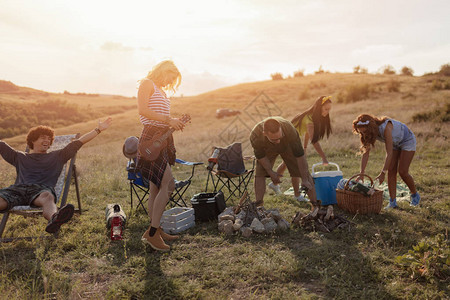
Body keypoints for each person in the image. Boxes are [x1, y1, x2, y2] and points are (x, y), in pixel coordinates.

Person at [0, 118, 112, 233]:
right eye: (43, 137)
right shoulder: (20, 157)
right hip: (17, 191)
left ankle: (55, 218)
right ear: (33, 140)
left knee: (48, 197)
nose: (47, 141)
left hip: (40, 192)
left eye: (49, 139)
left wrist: (98, 130)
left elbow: (79, 142)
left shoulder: (58, 156)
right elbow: (1, 145)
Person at [137, 60, 185, 251]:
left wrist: (174, 123)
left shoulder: (161, 90)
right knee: (169, 184)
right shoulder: (147, 83)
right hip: (150, 139)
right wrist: (168, 119)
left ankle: (155, 230)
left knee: (156, 187)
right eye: (170, 78)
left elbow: (162, 117)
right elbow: (143, 110)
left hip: (162, 139)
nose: (169, 83)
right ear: (164, 72)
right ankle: (152, 233)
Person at [269, 96, 333, 199]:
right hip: (286, 140)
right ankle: (297, 195)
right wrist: (323, 157)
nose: (327, 112)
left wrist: (305, 147)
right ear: (319, 107)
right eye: (326, 109)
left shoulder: (310, 117)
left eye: (329, 109)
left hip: (287, 139)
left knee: (286, 163)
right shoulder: (309, 118)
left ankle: (274, 184)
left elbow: (307, 133)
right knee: (296, 166)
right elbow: (314, 140)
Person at [352, 114, 420, 209]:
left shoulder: (386, 128)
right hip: (395, 143)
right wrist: (361, 174)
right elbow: (366, 153)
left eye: (365, 132)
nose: (364, 135)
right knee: (391, 171)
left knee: (403, 172)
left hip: (407, 140)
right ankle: (392, 202)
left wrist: (382, 173)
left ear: (370, 127)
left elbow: (389, 153)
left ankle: (415, 195)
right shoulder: (366, 132)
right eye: (361, 133)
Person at [249, 116, 319, 208]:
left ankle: (315, 205)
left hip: (288, 145)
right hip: (267, 148)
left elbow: (300, 156)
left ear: (281, 129)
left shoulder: (290, 130)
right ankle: (259, 204)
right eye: (274, 139)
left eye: (279, 137)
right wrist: (270, 172)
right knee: (260, 172)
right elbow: (261, 157)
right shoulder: (255, 135)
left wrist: (305, 179)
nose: (278, 141)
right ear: (264, 134)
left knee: (305, 173)